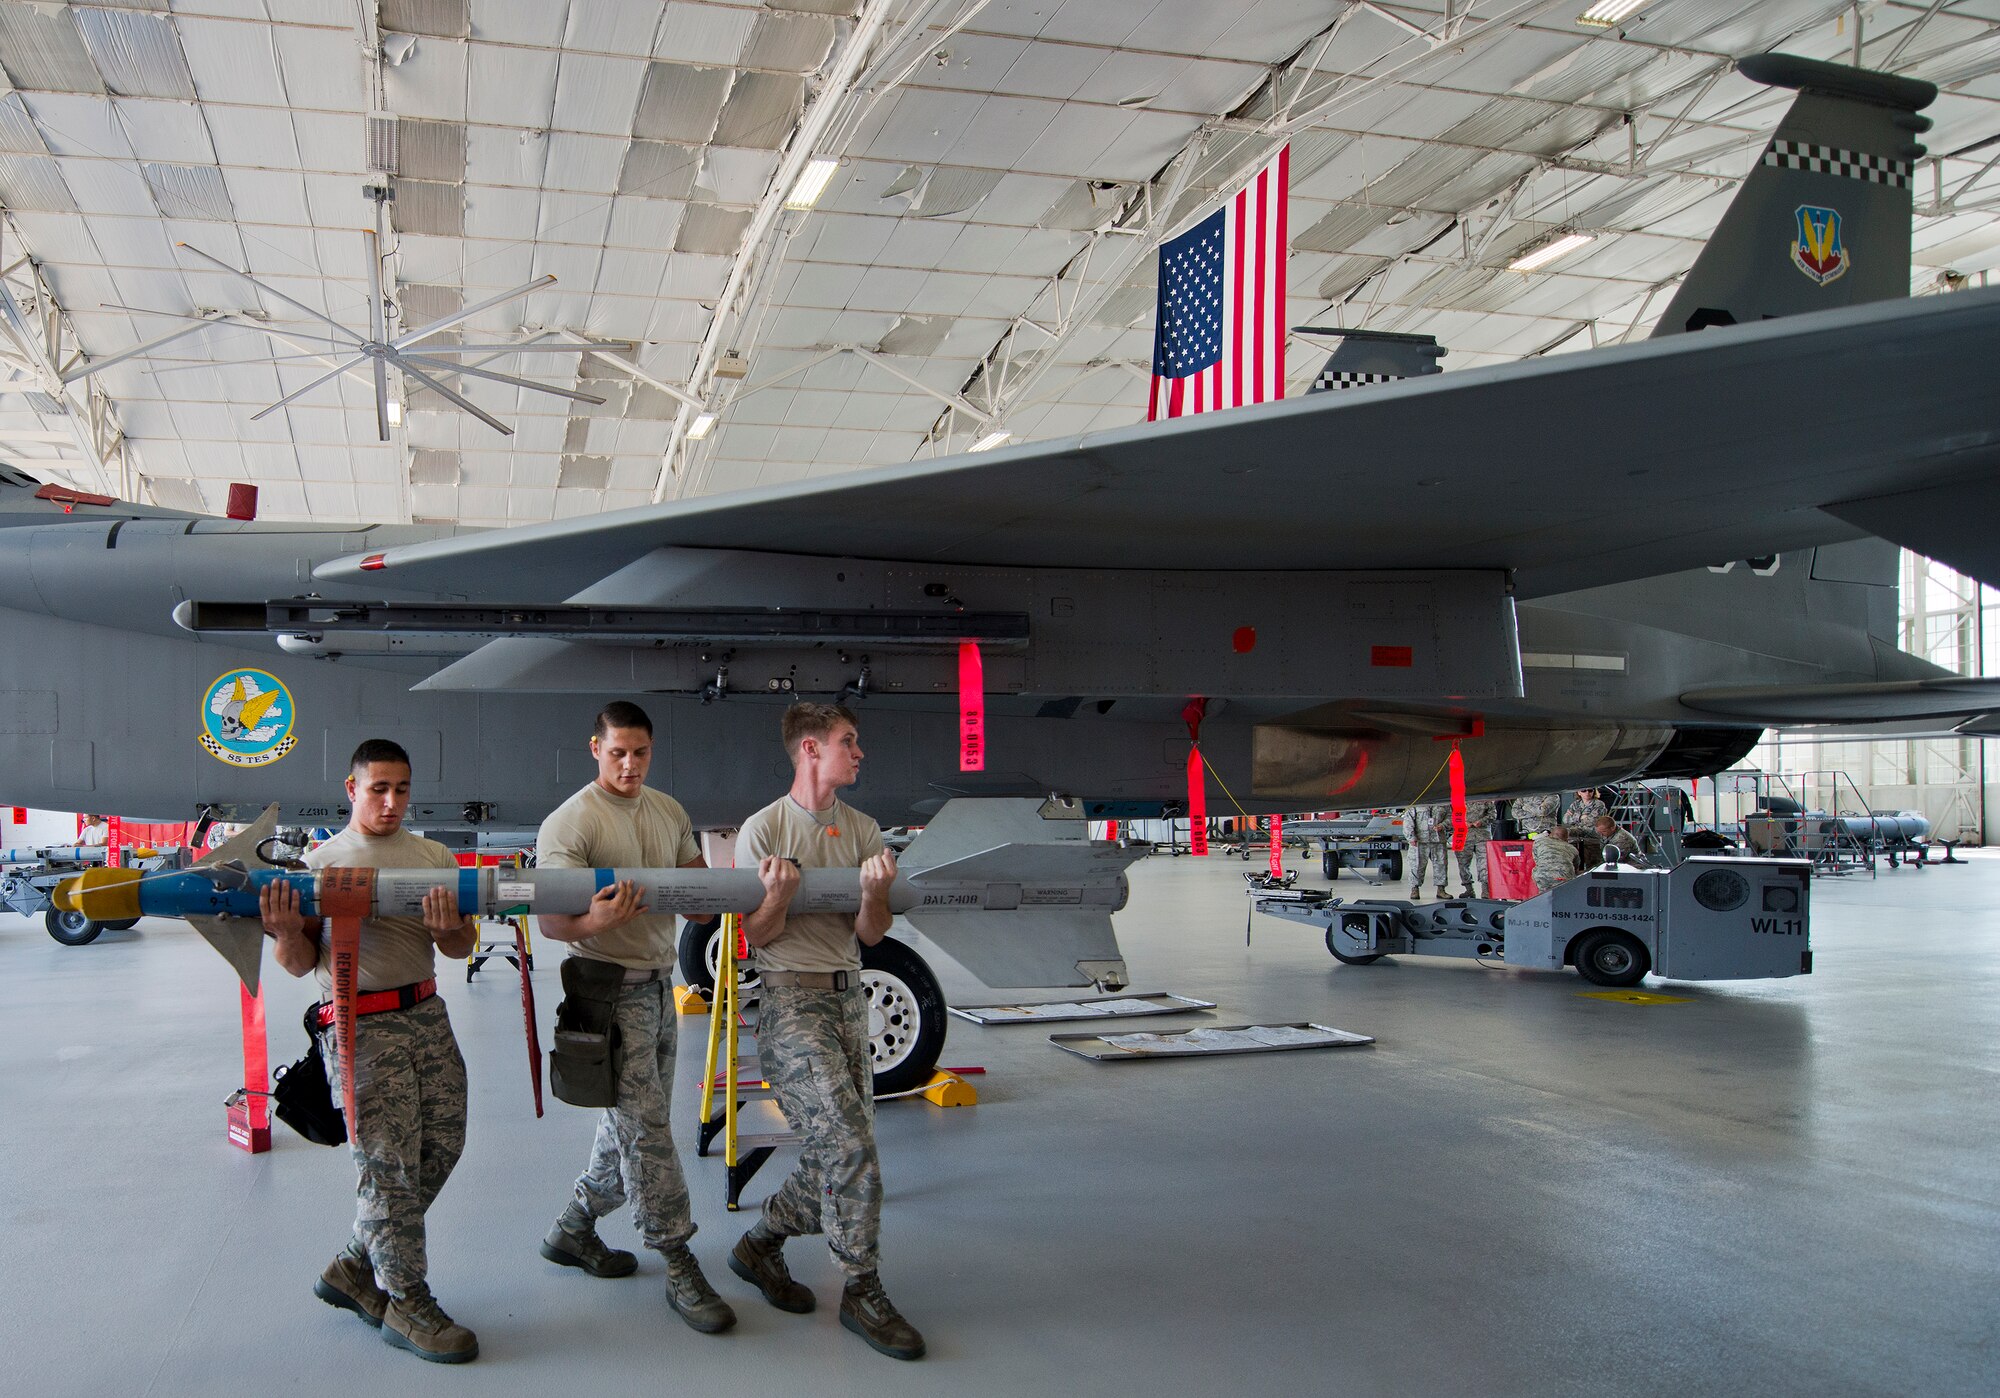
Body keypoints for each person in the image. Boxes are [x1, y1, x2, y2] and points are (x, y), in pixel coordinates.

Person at [260, 739, 480, 1363]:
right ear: (352, 791)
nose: (391, 802)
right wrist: (283, 932)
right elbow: (303, 962)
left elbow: (461, 947)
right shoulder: (323, 863)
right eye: (378, 789)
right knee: (387, 1166)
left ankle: (357, 1264)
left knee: (444, 1142)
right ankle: (407, 1301)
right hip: (360, 1024)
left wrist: (449, 929)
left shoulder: (434, 855)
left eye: (402, 789)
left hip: (427, 1013)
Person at [729, 702, 925, 1361]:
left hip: (848, 1003)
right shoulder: (764, 830)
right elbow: (753, 938)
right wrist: (778, 897)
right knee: (848, 1145)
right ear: (810, 750)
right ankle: (862, 1286)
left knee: (841, 1150)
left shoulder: (863, 829)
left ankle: (759, 1246)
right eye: (849, 742)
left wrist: (875, 892)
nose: (859, 752)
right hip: (792, 1006)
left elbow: (871, 933)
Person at [534, 701, 734, 1335]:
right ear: (596, 748)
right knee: (646, 1130)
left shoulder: (668, 811)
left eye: (640, 753)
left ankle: (572, 1229)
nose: (629, 765)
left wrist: (723, 895)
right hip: (607, 993)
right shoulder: (570, 823)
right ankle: (677, 1258)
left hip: (658, 988)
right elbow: (552, 921)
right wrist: (600, 921)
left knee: (630, 1122)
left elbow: (700, 898)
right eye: (617, 752)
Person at [1452, 799, 1497, 898]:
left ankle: (1485, 890)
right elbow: (1451, 816)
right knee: (1463, 864)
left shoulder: (1486, 800)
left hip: (1483, 836)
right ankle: (1468, 889)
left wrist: (1482, 822)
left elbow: (1493, 815)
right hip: (1463, 836)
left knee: (1485, 864)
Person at [1406, 803, 1448, 900]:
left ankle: (1441, 890)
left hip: (1438, 840)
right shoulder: (1416, 804)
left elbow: (1450, 817)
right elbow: (1408, 821)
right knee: (1416, 865)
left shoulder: (1444, 804)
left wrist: (1443, 825)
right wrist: (1411, 837)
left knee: (1441, 865)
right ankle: (1414, 889)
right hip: (1420, 841)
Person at [1533, 823, 1580, 892]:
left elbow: (1537, 860)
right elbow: (1576, 867)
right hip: (1564, 876)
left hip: (1542, 875)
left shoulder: (1539, 842)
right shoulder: (1572, 848)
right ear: (1566, 838)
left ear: (1550, 835)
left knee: (1543, 896)